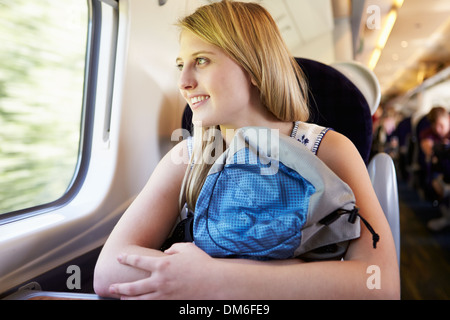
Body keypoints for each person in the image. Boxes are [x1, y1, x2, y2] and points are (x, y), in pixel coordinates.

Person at [93, 0, 399, 299]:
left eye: (201, 60)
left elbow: (380, 284)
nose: (183, 82)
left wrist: (214, 280)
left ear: (254, 67)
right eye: (180, 65)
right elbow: (107, 272)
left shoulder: (328, 150)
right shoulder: (188, 158)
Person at [419, 106, 450, 231]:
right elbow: (427, 146)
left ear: (448, 119)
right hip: (442, 175)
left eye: (441, 126)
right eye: (435, 127)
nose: (438, 130)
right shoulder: (428, 134)